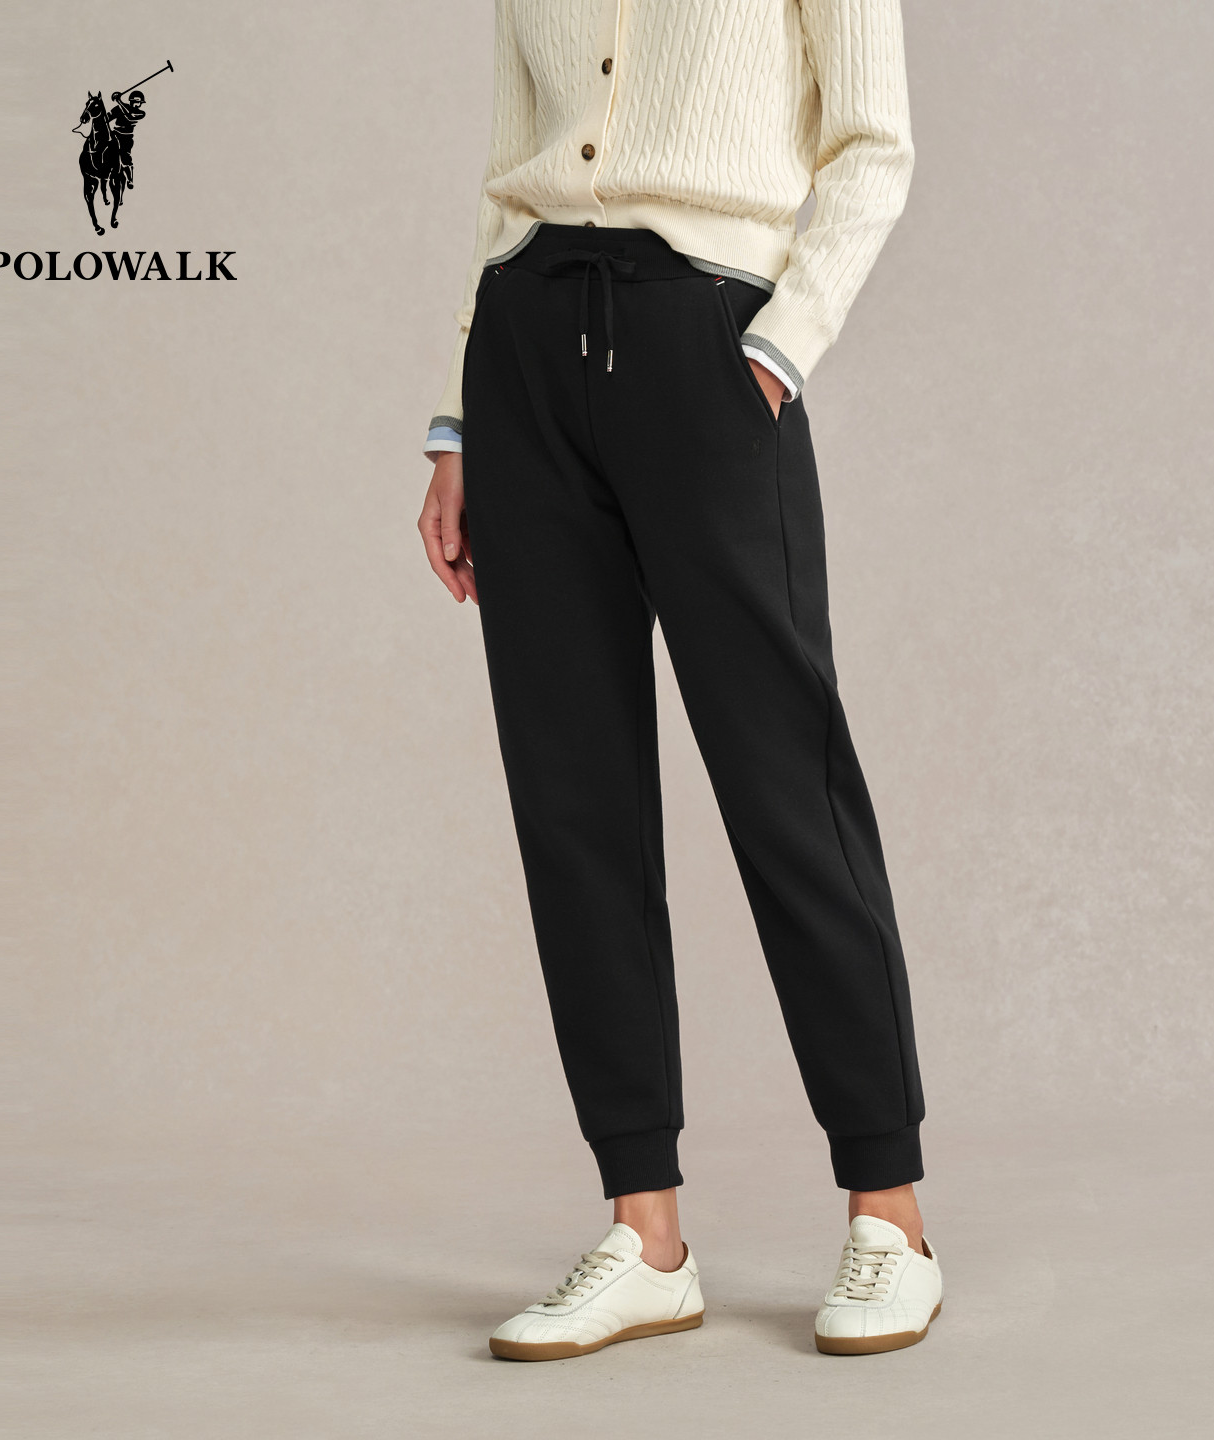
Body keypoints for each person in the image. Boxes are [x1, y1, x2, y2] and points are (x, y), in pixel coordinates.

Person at [418, 0, 941, 1360]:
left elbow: (874, 142)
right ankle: (644, 1233)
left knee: (786, 786)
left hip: (706, 343)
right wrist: (459, 422)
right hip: (527, 352)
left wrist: (778, 344)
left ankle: (890, 1216)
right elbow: (507, 171)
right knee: (574, 802)